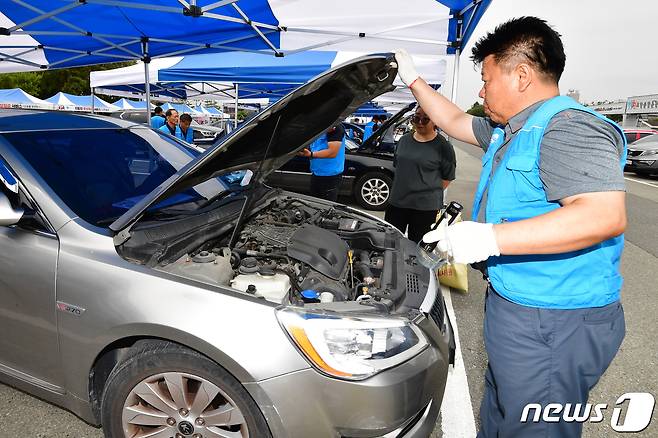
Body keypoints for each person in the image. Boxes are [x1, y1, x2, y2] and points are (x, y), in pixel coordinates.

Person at [395, 16, 627, 438]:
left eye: (485, 78)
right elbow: (452, 119)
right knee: (502, 413)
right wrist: (413, 81)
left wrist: (487, 238)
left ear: (521, 75)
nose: (480, 92)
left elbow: (602, 214)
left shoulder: (568, 127)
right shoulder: (511, 130)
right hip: (518, 306)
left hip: (556, 319)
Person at [384, 107, 455, 242]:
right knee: (391, 243)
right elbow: (398, 167)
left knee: (417, 247)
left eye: (425, 119)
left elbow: (447, 177)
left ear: (435, 121)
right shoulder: (404, 140)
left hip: (425, 208)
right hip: (397, 203)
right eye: (416, 118)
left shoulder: (443, 146)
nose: (420, 122)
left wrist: (426, 191)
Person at [299, 124, 346, 201]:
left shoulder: (336, 128)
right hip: (316, 173)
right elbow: (314, 147)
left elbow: (332, 152)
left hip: (330, 176)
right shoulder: (318, 129)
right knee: (315, 205)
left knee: (326, 207)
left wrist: (310, 154)